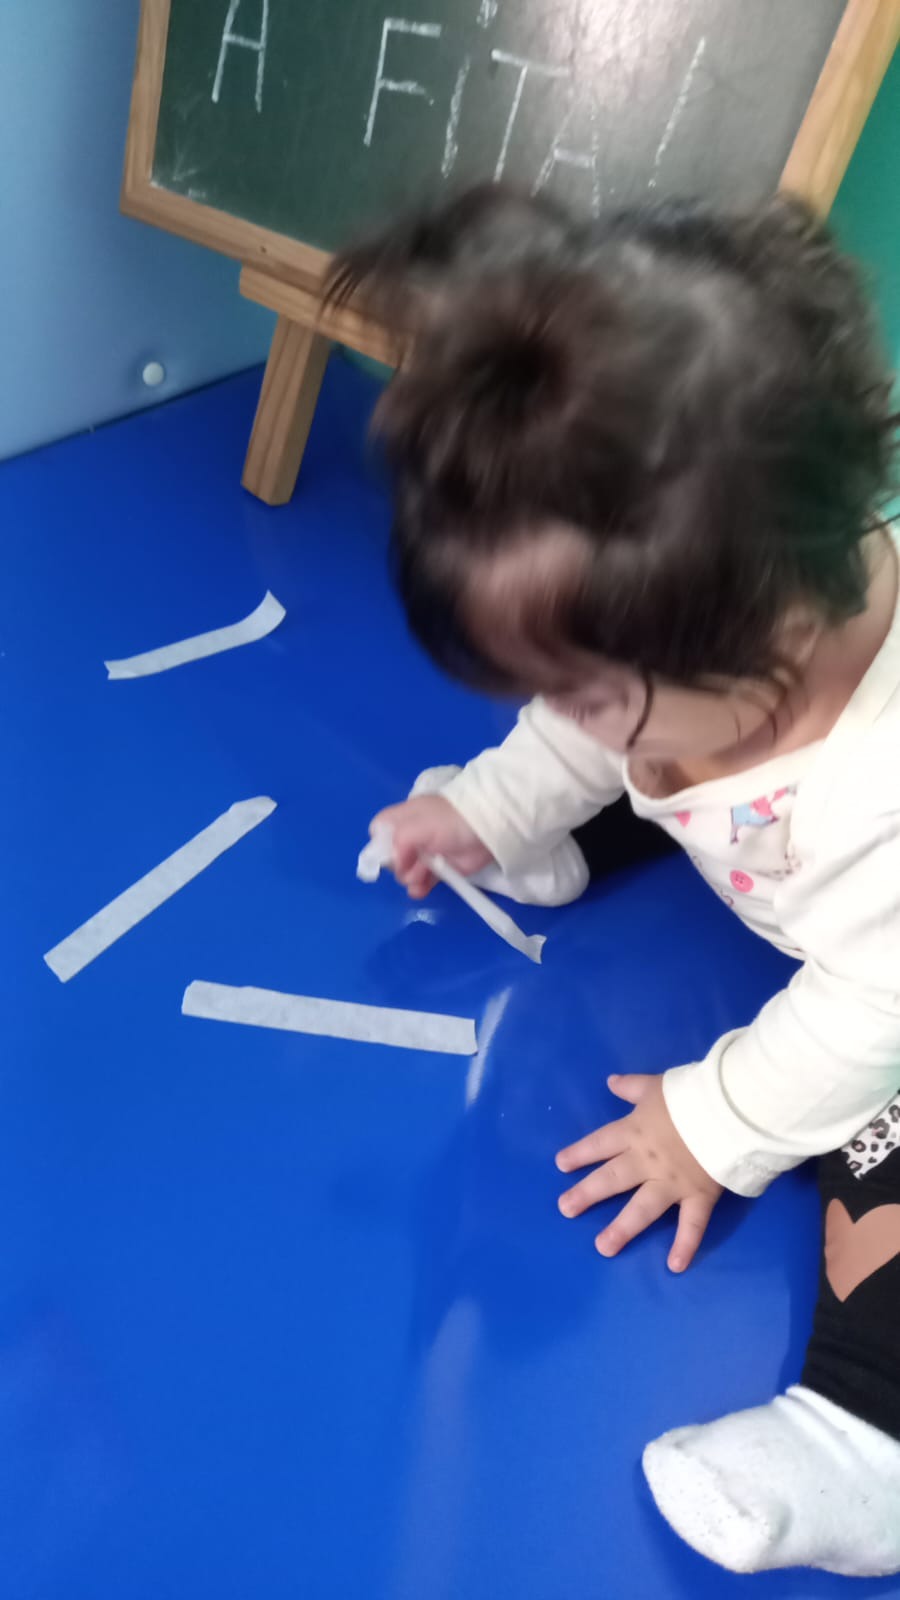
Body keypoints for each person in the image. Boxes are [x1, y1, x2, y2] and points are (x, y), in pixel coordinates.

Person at [328, 186, 900, 1576]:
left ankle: (868, 1433)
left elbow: (868, 1010)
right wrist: (488, 809)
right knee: (652, 776)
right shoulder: (712, 636)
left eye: (580, 692)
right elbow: (590, 736)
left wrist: (716, 1122)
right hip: (801, 858)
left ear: (771, 633)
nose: (562, 715)